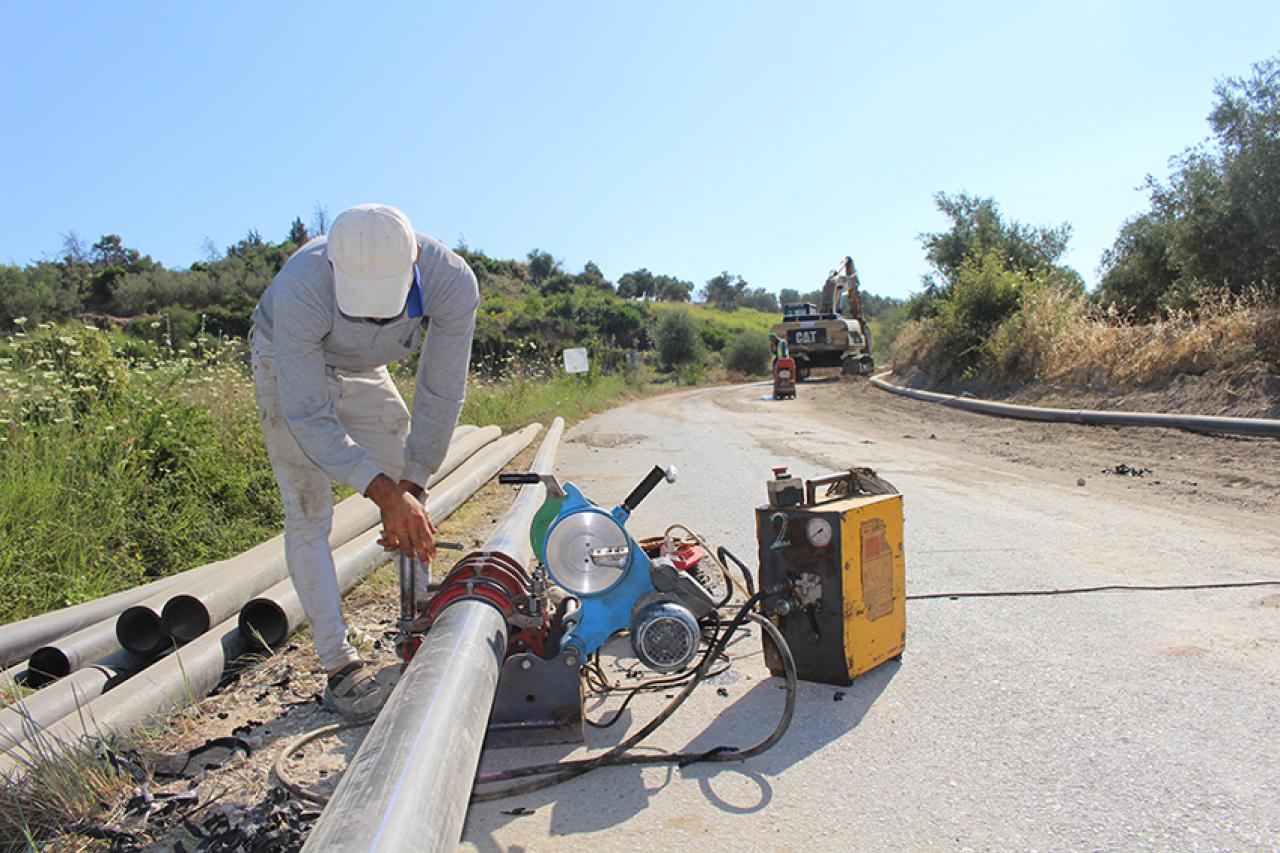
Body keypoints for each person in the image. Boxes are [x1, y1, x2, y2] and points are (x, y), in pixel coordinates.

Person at [249, 203, 479, 721]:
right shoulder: (301, 288)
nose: (377, 316)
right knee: (308, 509)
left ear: (415, 258)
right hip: (287, 363)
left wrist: (411, 485)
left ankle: (419, 615)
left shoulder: (452, 284)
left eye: (385, 303)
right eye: (363, 303)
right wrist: (382, 493)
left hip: (365, 369)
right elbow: (307, 414)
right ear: (332, 265)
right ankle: (338, 663)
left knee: (406, 474)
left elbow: (441, 391)